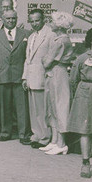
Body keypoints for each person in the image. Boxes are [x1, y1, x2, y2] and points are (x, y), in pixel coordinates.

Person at [0, 10, 31, 143]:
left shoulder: (26, 34)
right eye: (8, 19)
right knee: (4, 105)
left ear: (16, 19)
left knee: (22, 107)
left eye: (13, 18)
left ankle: (24, 134)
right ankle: (5, 132)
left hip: (20, 75)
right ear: (2, 20)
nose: (10, 21)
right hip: (1, 74)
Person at [40, 12, 74, 155]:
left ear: (59, 25)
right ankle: (54, 140)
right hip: (54, 73)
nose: (50, 23)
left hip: (58, 73)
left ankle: (62, 143)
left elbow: (47, 61)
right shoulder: (59, 38)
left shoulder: (60, 41)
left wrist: (45, 59)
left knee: (60, 106)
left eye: (52, 21)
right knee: (52, 105)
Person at [22, 9, 55, 149]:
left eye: (37, 20)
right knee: (34, 110)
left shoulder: (50, 34)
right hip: (31, 78)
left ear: (43, 20)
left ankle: (45, 137)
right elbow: (27, 59)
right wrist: (24, 77)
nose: (34, 24)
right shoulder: (31, 37)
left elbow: (52, 56)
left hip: (42, 77)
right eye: (32, 21)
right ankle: (36, 134)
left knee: (43, 110)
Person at [67, 27, 92, 177]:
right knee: (85, 130)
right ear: (91, 40)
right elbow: (73, 79)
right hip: (85, 95)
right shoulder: (83, 58)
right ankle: (85, 162)